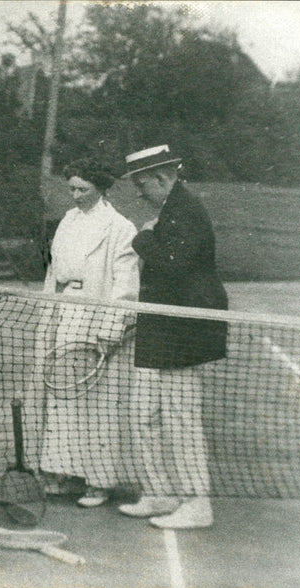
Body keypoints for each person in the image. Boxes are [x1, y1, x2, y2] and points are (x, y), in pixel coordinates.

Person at [117, 144, 228, 529]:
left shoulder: (187, 210)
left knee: (182, 419)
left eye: (142, 184)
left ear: (163, 178)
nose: (138, 193)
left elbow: (174, 265)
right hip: (161, 330)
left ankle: (198, 503)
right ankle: (160, 492)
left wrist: (142, 239)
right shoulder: (171, 209)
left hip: (184, 334)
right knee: (145, 413)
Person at [36, 157, 140, 508]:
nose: (76, 195)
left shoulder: (121, 227)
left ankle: (99, 482)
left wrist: (112, 330)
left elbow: (125, 284)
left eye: (83, 189)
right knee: (65, 401)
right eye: (72, 189)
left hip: (99, 324)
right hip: (65, 314)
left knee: (101, 405)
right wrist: (48, 316)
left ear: (101, 188)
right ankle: (64, 473)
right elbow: (54, 272)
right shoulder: (67, 219)